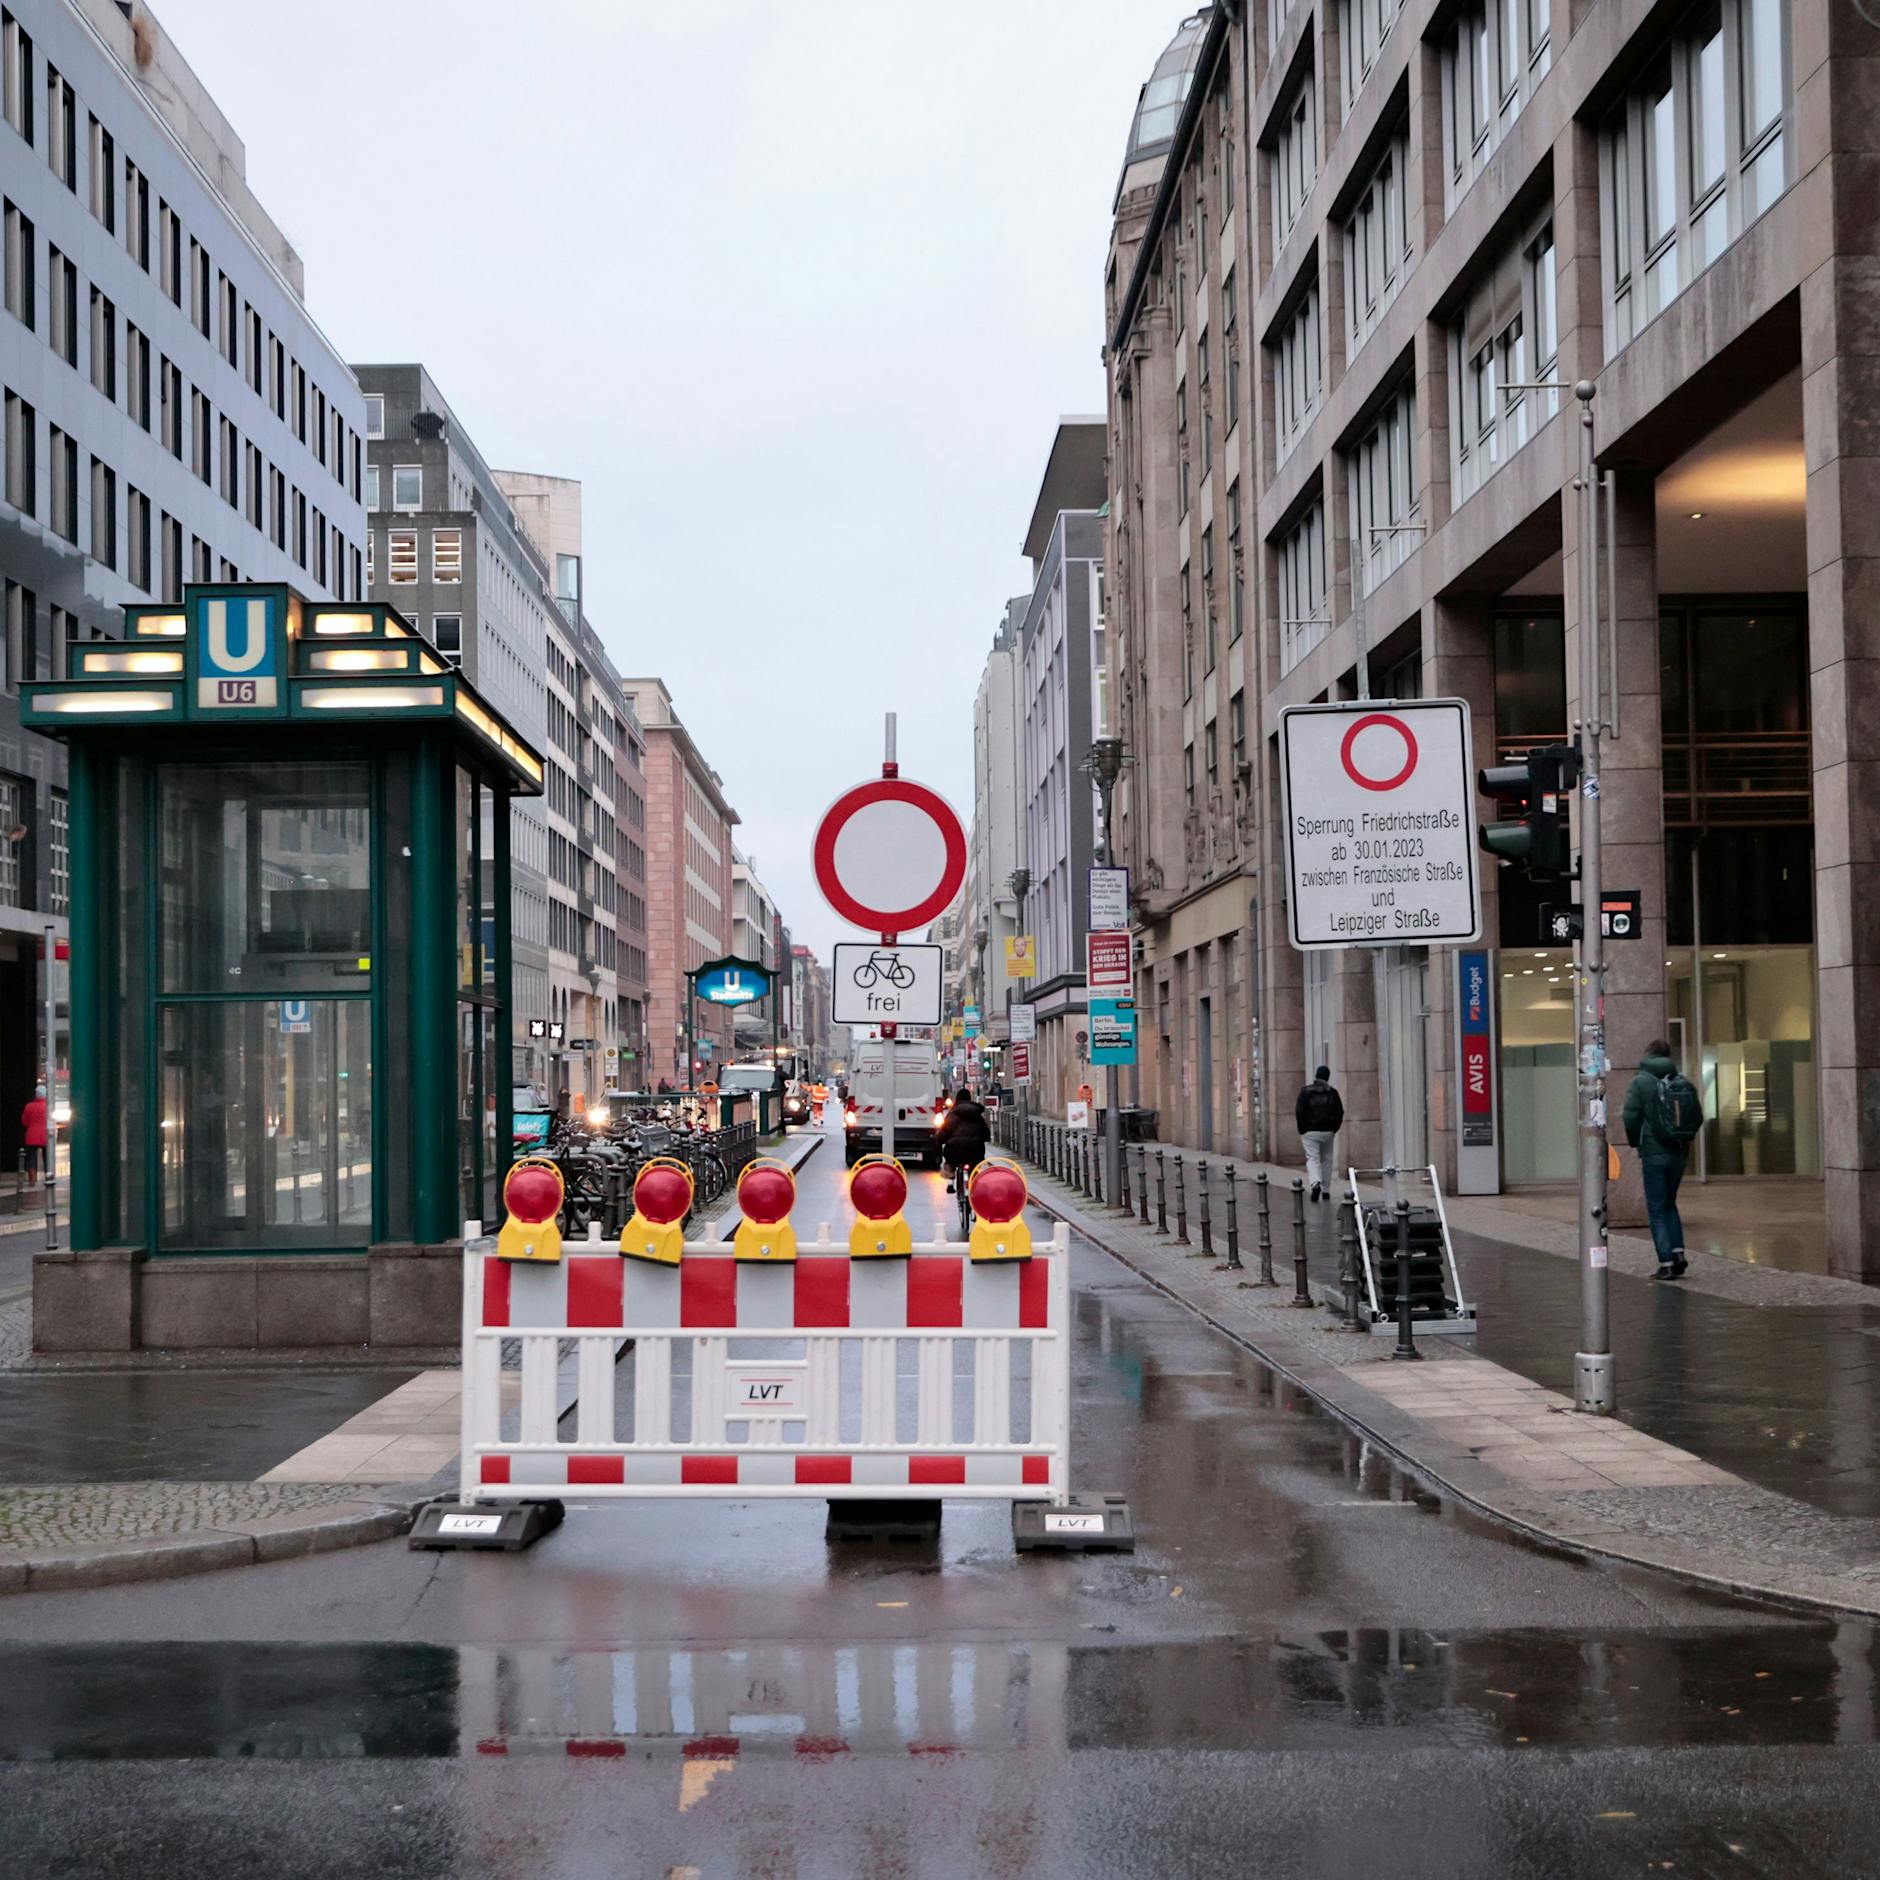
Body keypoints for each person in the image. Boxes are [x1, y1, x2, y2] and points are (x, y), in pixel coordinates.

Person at [1622, 1039, 1703, 1278]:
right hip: (1679, 1150)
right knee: (1670, 1202)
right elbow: (1696, 1117)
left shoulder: (1641, 1082)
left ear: (1648, 1055)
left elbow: (1630, 1116)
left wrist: (1636, 1140)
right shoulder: (1683, 1082)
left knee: (1656, 1208)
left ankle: (1666, 1263)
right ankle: (1678, 1253)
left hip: (1654, 1151)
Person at [1295, 1066, 1344, 1203]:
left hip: (1309, 1131)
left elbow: (1299, 1112)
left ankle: (1315, 1182)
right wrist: (1334, 1129)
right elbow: (1340, 1112)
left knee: (1312, 1158)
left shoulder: (1305, 1092)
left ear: (1316, 1076)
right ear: (1327, 1077)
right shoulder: (1332, 1092)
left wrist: (1302, 1129)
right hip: (1328, 1131)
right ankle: (1326, 1190)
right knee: (1327, 1159)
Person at [938, 1085, 990, 1193]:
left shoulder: (953, 1114)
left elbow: (944, 1131)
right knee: (975, 1165)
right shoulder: (977, 1115)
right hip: (975, 1150)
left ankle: (950, 1182)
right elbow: (986, 1133)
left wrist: (938, 1140)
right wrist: (984, 1138)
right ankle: (975, 1184)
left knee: (950, 1160)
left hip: (955, 1150)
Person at [19, 1083, 46, 1180]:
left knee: (31, 1158)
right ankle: (48, 1176)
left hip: (32, 1135)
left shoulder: (29, 1106)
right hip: (45, 1135)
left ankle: (32, 1179)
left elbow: (24, 1121)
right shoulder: (48, 1107)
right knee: (47, 1157)